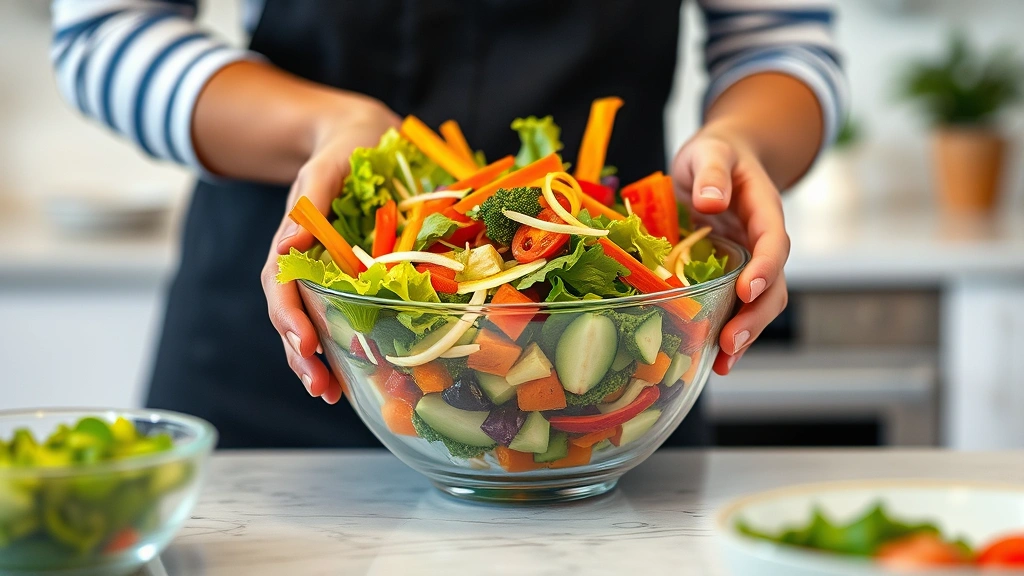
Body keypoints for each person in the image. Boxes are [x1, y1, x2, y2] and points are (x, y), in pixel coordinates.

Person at [51, 0, 845, 449]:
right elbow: (103, 30)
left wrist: (739, 144)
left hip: (614, 358)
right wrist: (326, 128)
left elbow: (783, 42)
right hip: (289, 336)